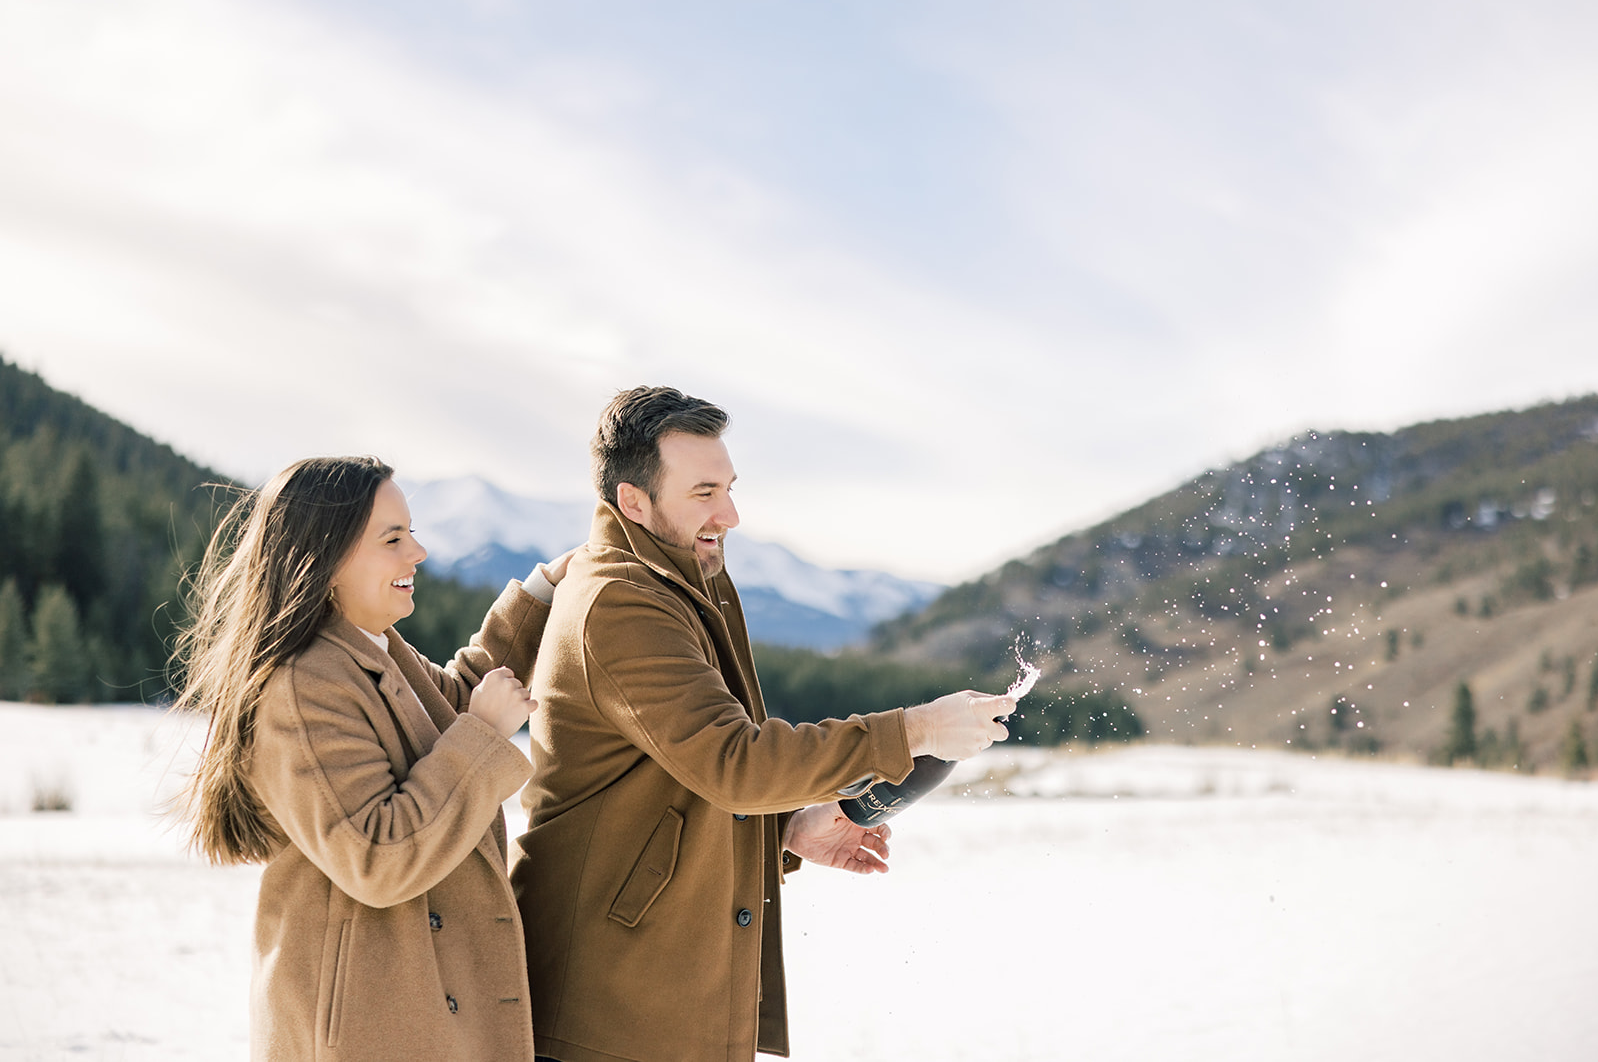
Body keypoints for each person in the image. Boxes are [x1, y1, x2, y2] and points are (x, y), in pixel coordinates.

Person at [511, 387, 1014, 1062]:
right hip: (609, 1010)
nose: (731, 513)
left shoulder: (686, 579)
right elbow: (735, 763)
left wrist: (786, 830)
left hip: (658, 991)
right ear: (635, 502)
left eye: (730, 487)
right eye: (704, 492)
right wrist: (914, 730)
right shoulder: (621, 601)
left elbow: (681, 777)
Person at [171, 456, 565, 1062]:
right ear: (326, 557)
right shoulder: (303, 685)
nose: (419, 552)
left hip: (411, 1013)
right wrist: (485, 732)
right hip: (368, 1031)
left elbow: (456, 704)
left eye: (411, 531)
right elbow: (377, 856)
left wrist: (541, 594)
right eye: (393, 538)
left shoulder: (369, 648)